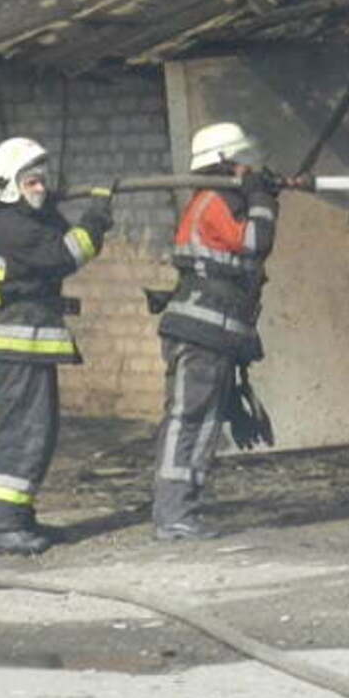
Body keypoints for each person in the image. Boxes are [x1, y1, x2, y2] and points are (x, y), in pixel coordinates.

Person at [0, 137, 113, 557]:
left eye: (42, 180)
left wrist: (48, 200)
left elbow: (53, 231)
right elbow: (65, 254)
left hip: (30, 345)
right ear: (10, 185)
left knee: (40, 431)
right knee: (24, 433)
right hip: (20, 346)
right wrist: (96, 218)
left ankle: (20, 516)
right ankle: (3, 527)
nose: (40, 188)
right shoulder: (14, 227)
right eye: (32, 181)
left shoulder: (25, 220)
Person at [152, 122, 281, 540]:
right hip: (200, 333)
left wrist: (259, 194)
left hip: (216, 336)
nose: (252, 167)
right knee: (188, 420)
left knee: (205, 424)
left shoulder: (226, 201)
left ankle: (183, 512)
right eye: (245, 161)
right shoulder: (213, 202)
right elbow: (257, 240)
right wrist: (261, 197)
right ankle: (172, 515)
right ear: (227, 161)